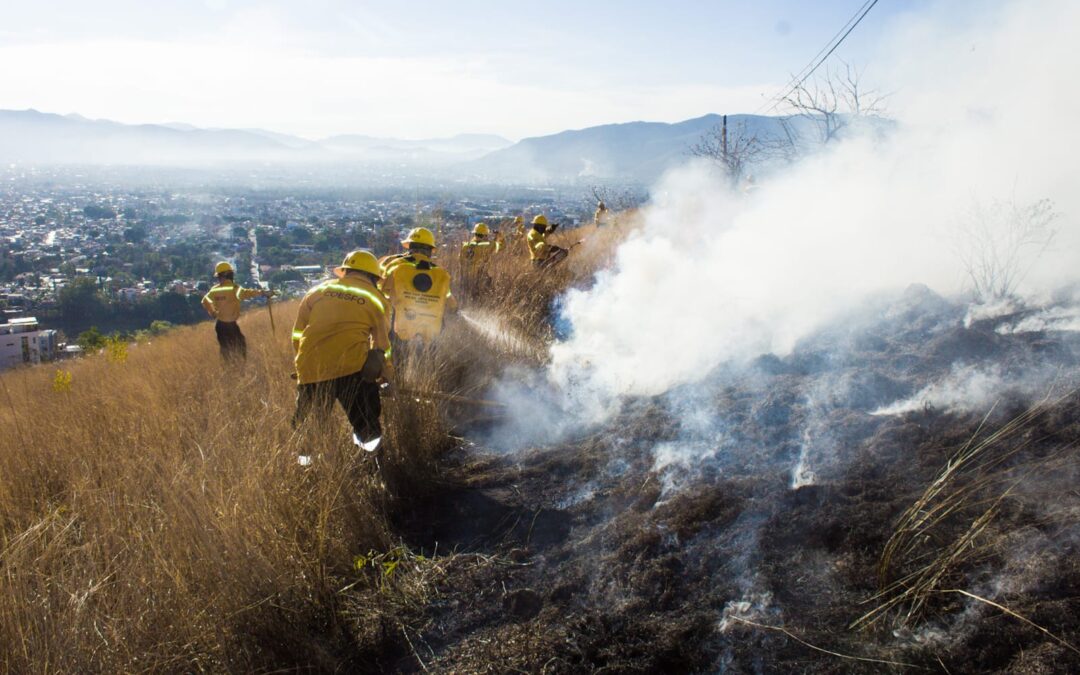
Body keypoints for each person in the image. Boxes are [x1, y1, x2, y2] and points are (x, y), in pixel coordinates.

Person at [291, 249, 393, 451]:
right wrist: (387, 376)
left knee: (309, 425)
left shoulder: (316, 292)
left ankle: (306, 465)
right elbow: (382, 346)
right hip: (352, 371)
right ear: (373, 277)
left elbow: (297, 334)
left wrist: (303, 364)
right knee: (366, 424)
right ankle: (370, 462)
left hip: (312, 369)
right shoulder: (376, 299)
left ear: (345, 271)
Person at [380, 227, 457, 344]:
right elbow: (448, 297)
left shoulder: (395, 265)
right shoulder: (439, 273)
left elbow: (382, 290)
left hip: (399, 324)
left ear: (410, 247)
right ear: (431, 251)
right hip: (429, 329)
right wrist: (454, 308)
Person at [200, 261, 272, 362]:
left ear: (221, 276)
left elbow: (204, 301)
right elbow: (247, 293)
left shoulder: (214, 290)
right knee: (241, 347)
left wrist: (212, 312)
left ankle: (229, 370)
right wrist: (263, 293)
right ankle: (240, 369)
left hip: (220, 325)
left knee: (225, 350)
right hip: (231, 325)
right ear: (229, 274)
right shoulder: (234, 288)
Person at [459, 222, 502, 297]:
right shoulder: (485, 246)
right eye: (487, 235)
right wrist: (499, 236)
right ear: (484, 235)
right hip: (478, 279)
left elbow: (460, 260)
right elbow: (501, 246)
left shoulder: (465, 245)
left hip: (465, 278)